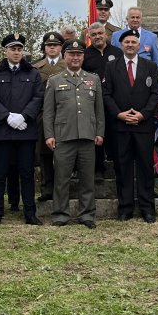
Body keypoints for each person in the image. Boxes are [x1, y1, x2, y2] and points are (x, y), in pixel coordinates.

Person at [43, 39, 106, 229]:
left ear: (83, 57)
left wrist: (100, 132)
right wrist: (49, 135)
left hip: (87, 136)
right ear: (65, 56)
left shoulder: (92, 79)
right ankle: (61, 214)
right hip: (64, 136)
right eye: (71, 54)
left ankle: (87, 214)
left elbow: (99, 110)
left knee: (87, 179)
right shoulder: (54, 81)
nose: (75, 57)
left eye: (79, 54)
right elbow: (48, 112)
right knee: (61, 179)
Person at [0, 33, 45, 225]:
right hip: (2, 132)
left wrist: (23, 116)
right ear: (5, 51)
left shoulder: (33, 73)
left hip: (25, 132)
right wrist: (7, 117)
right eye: (13, 49)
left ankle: (30, 213)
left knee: (26, 173)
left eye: (19, 49)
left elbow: (38, 97)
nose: (16, 52)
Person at [102, 28, 158, 221]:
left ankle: (147, 208)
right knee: (123, 168)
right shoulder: (111, 67)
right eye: (126, 42)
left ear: (139, 46)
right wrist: (119, 114)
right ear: (121, 44)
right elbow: (106, 94)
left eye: (133, 42)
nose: (129, 45)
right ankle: (125, 208)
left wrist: (143, 115)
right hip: (121, 127)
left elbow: (155, 94)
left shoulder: (150, 66)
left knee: (145, 168)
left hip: (143, 126)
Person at [83, 23, 123, 181]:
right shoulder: (85, 55)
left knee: (115, 135)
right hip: (93, 101)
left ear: (106, 34)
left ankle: (118, 167)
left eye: (100, 33)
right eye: (94, 35)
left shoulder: (117, 52)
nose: (98, 36)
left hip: (115, 101)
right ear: (89, 37)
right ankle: (98, 169)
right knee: (96, 136)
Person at [33, 32, 67, 202]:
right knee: (45, 153)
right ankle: (47, 188)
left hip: (64, 113)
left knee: (64, 153)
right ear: (45, 48)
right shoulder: (36, 67)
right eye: (49, 45)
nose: (52, 48)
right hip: (43, 114)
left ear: (61, 47)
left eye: (55, 45)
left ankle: (62, 188)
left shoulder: (68, 64)